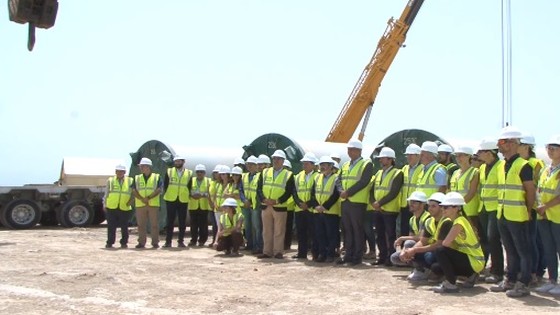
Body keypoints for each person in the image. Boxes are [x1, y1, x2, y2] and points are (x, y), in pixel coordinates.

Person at [490, 126, 535, 298]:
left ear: (512, 143)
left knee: (523, 251)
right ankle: (510, 278)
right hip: (503, 214)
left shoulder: (523, 166)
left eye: (501, 142)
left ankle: (523, 283)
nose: (498, 146)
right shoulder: (502, 166)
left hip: (517, 215)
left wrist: (528, 210)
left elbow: (530, 190)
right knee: (509, 250)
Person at [431, 192, 485, 293]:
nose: (443, 209)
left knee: (440, 251)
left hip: (474, 261)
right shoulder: (459, 220)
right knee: (436, 267)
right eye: (442, 207)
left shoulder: (459, 222)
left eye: (446, 207)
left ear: (456, 208)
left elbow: (445, 244)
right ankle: (470, 275)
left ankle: (451, 284)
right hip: (472, 261)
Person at [336, 139, 374, 266]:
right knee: (347, 230)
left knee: (357, 230)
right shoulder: (345, 165)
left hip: (358, 202)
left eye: (352, 149)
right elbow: (338, 180)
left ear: (359, 151)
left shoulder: (366, 164)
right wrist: (341, 191)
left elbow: (364, 181)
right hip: (345, 201)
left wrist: (348, 192)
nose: (349, 152)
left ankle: (357, 256)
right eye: (348, 149)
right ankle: (348, 254)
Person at [400, 192, 450, 282]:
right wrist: (409, 251)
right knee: (412, 250)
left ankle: (442, 274)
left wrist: (414, 250)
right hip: (435, 250)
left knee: (430, 257)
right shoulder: (429, 221)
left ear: (442, 207)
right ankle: (422, 271)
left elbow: (439, 244)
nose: (430, 209)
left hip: (448, 252)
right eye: (429, 206)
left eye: (434, 206)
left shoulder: (447, 221)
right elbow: (423, 241)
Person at [256, 150, 295, 259]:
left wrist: (277, 201)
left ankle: (278, 252)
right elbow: (259, 188)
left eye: (278, 159)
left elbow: (288, 191)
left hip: (279, 207)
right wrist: (263, 199)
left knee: (279, 231)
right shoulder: (264, 172)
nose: (275, 161)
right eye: (274, 158)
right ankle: (267, 251)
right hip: (266, 206)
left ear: (283, 161)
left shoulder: (288, 174)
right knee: (266, 230)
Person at [519, 134, 546, 283]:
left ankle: (535, 271)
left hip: (532, 207)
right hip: (519, 207)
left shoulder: (535, 163)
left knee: (532, 241)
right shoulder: (519, 162)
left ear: (527, 147)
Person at [534, 135, 560, 295]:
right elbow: (540, 190)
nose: (550, 151)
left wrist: (545, 206)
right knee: (549, 249)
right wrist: (539, 207)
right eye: (548, 148)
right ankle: (552, 280)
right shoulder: (546, 170)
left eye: (554, 149)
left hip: (557, 216)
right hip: (544, 215)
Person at [477, 138, 505, 283]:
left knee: (493, 239)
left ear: (489, 153)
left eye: (481, 151)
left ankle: (497, 271)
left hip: (495, 208)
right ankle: (483, 267)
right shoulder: (482, 168)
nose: (478, 154)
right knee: (485, 239)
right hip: (484, 208)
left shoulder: (501, 166)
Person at [370, 147, 404, 266]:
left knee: (390, 235)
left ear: (390, 159)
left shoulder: (397, 173)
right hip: (378, 210)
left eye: (382, 158)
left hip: (390, 210)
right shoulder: (379, 173)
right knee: (379, 235)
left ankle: (390, 257)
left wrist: (379, 203)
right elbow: (372, 190)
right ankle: (382, 257)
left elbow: (394, 192)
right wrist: (373, 202)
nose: (380, 161)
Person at [309, 156, 341, 263]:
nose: (322, 167)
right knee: (320, 235)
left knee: (331, 235)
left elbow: (336, 195)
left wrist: (325, 206)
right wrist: (316, 205)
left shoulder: (336, 178)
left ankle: (330, 255)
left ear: (331, 166)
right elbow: (312, 194)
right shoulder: (317, 177)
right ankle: (322, 254)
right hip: (318, 211)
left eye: (325, 165)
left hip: (331, 211)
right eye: (321, 165)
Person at [449, 146, 482, 245]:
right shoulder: (455, 173)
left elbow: (471, 193)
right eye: (457, 156)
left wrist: (457, 206)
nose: (458, 158)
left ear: (469, 157)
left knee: (472, 237)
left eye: (461, 156)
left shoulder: (474, 172)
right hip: (455, 212)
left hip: (470, 211)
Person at [390, 191, 430, 267]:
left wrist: (402, 238)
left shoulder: (427, 218)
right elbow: (411, 237)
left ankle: (419, 267)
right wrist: (403, 251)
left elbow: (421, 238)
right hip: (416, 246)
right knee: (394, 258)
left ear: (422, 204)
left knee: (409, 243)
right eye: (410, 201)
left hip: (426, 246)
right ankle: (412, 262)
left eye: (414, 202)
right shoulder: (412, 219)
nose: (411, 204)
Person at [292, 152, 318, 259]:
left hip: (311, 209)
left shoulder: (318, 176)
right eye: (304, 164)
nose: (304, 166)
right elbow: (294, 192)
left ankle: (315, 253)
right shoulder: (298, 176)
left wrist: (308, 204)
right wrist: (299, 203)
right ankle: (301, 253)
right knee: (301, 232)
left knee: (313, 233)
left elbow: (317, 193)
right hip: (299, 209)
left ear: (313, 165)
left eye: (307, 163)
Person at [132, 157, 163, 249]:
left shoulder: (157, 177)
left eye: (143, 166)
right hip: (140, 204)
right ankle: (141, 242)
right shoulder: (137, 178)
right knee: (141, 225)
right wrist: (142, 198)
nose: (141, 168)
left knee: (154, 225)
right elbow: (133, 190)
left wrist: (148, 198)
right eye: (140, 166)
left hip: (153, 204)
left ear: (148, 167)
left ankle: (155, 242)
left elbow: (159, 189)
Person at [162, 156, 193, 248]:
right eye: (176, 161)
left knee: (182, 222)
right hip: (171, 199)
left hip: (183, 199)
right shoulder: (169, 171)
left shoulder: (189, 173)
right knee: (170, 221)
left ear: (183, 162)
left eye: (179, 161)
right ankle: (168, 242)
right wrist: (169, 194)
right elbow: (166, 185)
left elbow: (189, 186)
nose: (177, 163)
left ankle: (181, 241)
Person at [104, 164, 133, 249]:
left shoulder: (130, 181)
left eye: (121, 171)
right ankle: (110, 242)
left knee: (124, 226)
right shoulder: (110, 180)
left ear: (124, 172)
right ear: (115, 172)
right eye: (118, 171)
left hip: (124, 207)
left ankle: (124, 243)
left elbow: (133, 193)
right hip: (112, 206)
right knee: (111, 226)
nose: (119, 173)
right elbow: (106, 193)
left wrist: (130, 202)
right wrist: (104, 204)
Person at [399, 143, 423, 237]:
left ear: (418, 156)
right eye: (407, 155)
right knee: (404, 229)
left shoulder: (422, 169)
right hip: (405, 205)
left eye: (411, 155)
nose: (408, 157)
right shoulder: (404, 168)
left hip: (417, 205)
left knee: (416, 229)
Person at [188, 164, 213, 247]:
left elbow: (211, 192)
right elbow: (187, 190)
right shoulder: (191, 180)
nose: (199, 173)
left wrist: (202, 195)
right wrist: (192, 195)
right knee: (193, 224)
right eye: (198, 172)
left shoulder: (208, 181)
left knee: (203, 224)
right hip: (193, 205)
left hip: (204, 205)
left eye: (201, 172)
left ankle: (202, 240)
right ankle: (193, 240)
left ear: (204, 173)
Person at [242, 155, 261, 254]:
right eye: (248, 164)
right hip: (246, 205)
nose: (249, 166)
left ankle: (257, 246)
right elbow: (241, 189)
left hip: (255, 205)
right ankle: (249, 244)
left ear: (256, 166)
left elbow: (259, 191)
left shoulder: (259, 176)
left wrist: (252, 202)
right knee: (247, 226)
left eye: (252, 164)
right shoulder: (244, 176)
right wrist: (244, 199)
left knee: (256, 227)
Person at [208, 165, 222, 247]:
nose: (216, 174)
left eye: (217, 173)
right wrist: (211, 204)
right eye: (215, 173)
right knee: (214, 225)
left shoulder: (222, 184)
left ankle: (220, 241)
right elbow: (209, 194)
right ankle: (214, 240)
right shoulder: (211, 182)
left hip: (220, 207)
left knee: (221, 225)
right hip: (212, 207)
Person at [283, 159, 296, 250]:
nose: (285, 169)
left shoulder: (293, 178)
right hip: (281, 206)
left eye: (287, 167)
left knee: (288, 227)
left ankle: (287, 244)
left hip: (290, 207)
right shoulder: (280, 177)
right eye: (284, 167)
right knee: (280, 228)